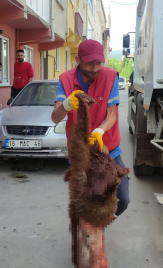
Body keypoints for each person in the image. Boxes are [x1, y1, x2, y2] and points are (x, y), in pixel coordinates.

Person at [51, 39, 129, 217]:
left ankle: (99, 223)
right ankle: (85, 233)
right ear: (78, 60)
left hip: (108, 150)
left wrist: (99, 131)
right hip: (80, 153)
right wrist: (67, 104)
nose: (94, 68)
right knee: (83, 200)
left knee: (123, 199)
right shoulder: (65, 79)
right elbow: (55, 117)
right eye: (89, 63)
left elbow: (112, 115)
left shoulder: (110, 77)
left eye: (98, 63)